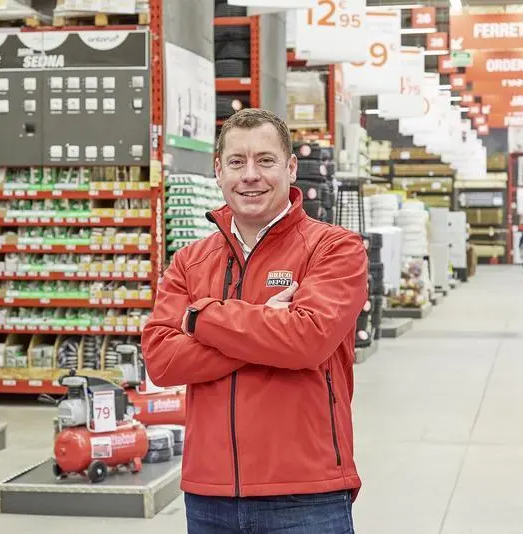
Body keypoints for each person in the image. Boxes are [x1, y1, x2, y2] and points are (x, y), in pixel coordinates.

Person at [142, 108, 367, 533]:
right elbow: (161, 360)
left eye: (265, 160)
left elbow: (307, 341)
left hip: (306, 494)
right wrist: (268, 329)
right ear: (218, 171)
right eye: (236, 161)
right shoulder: (190, 261)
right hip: (209, 496)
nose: (250, 175)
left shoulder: (334, 248)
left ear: (291, 168)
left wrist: (202, 316)